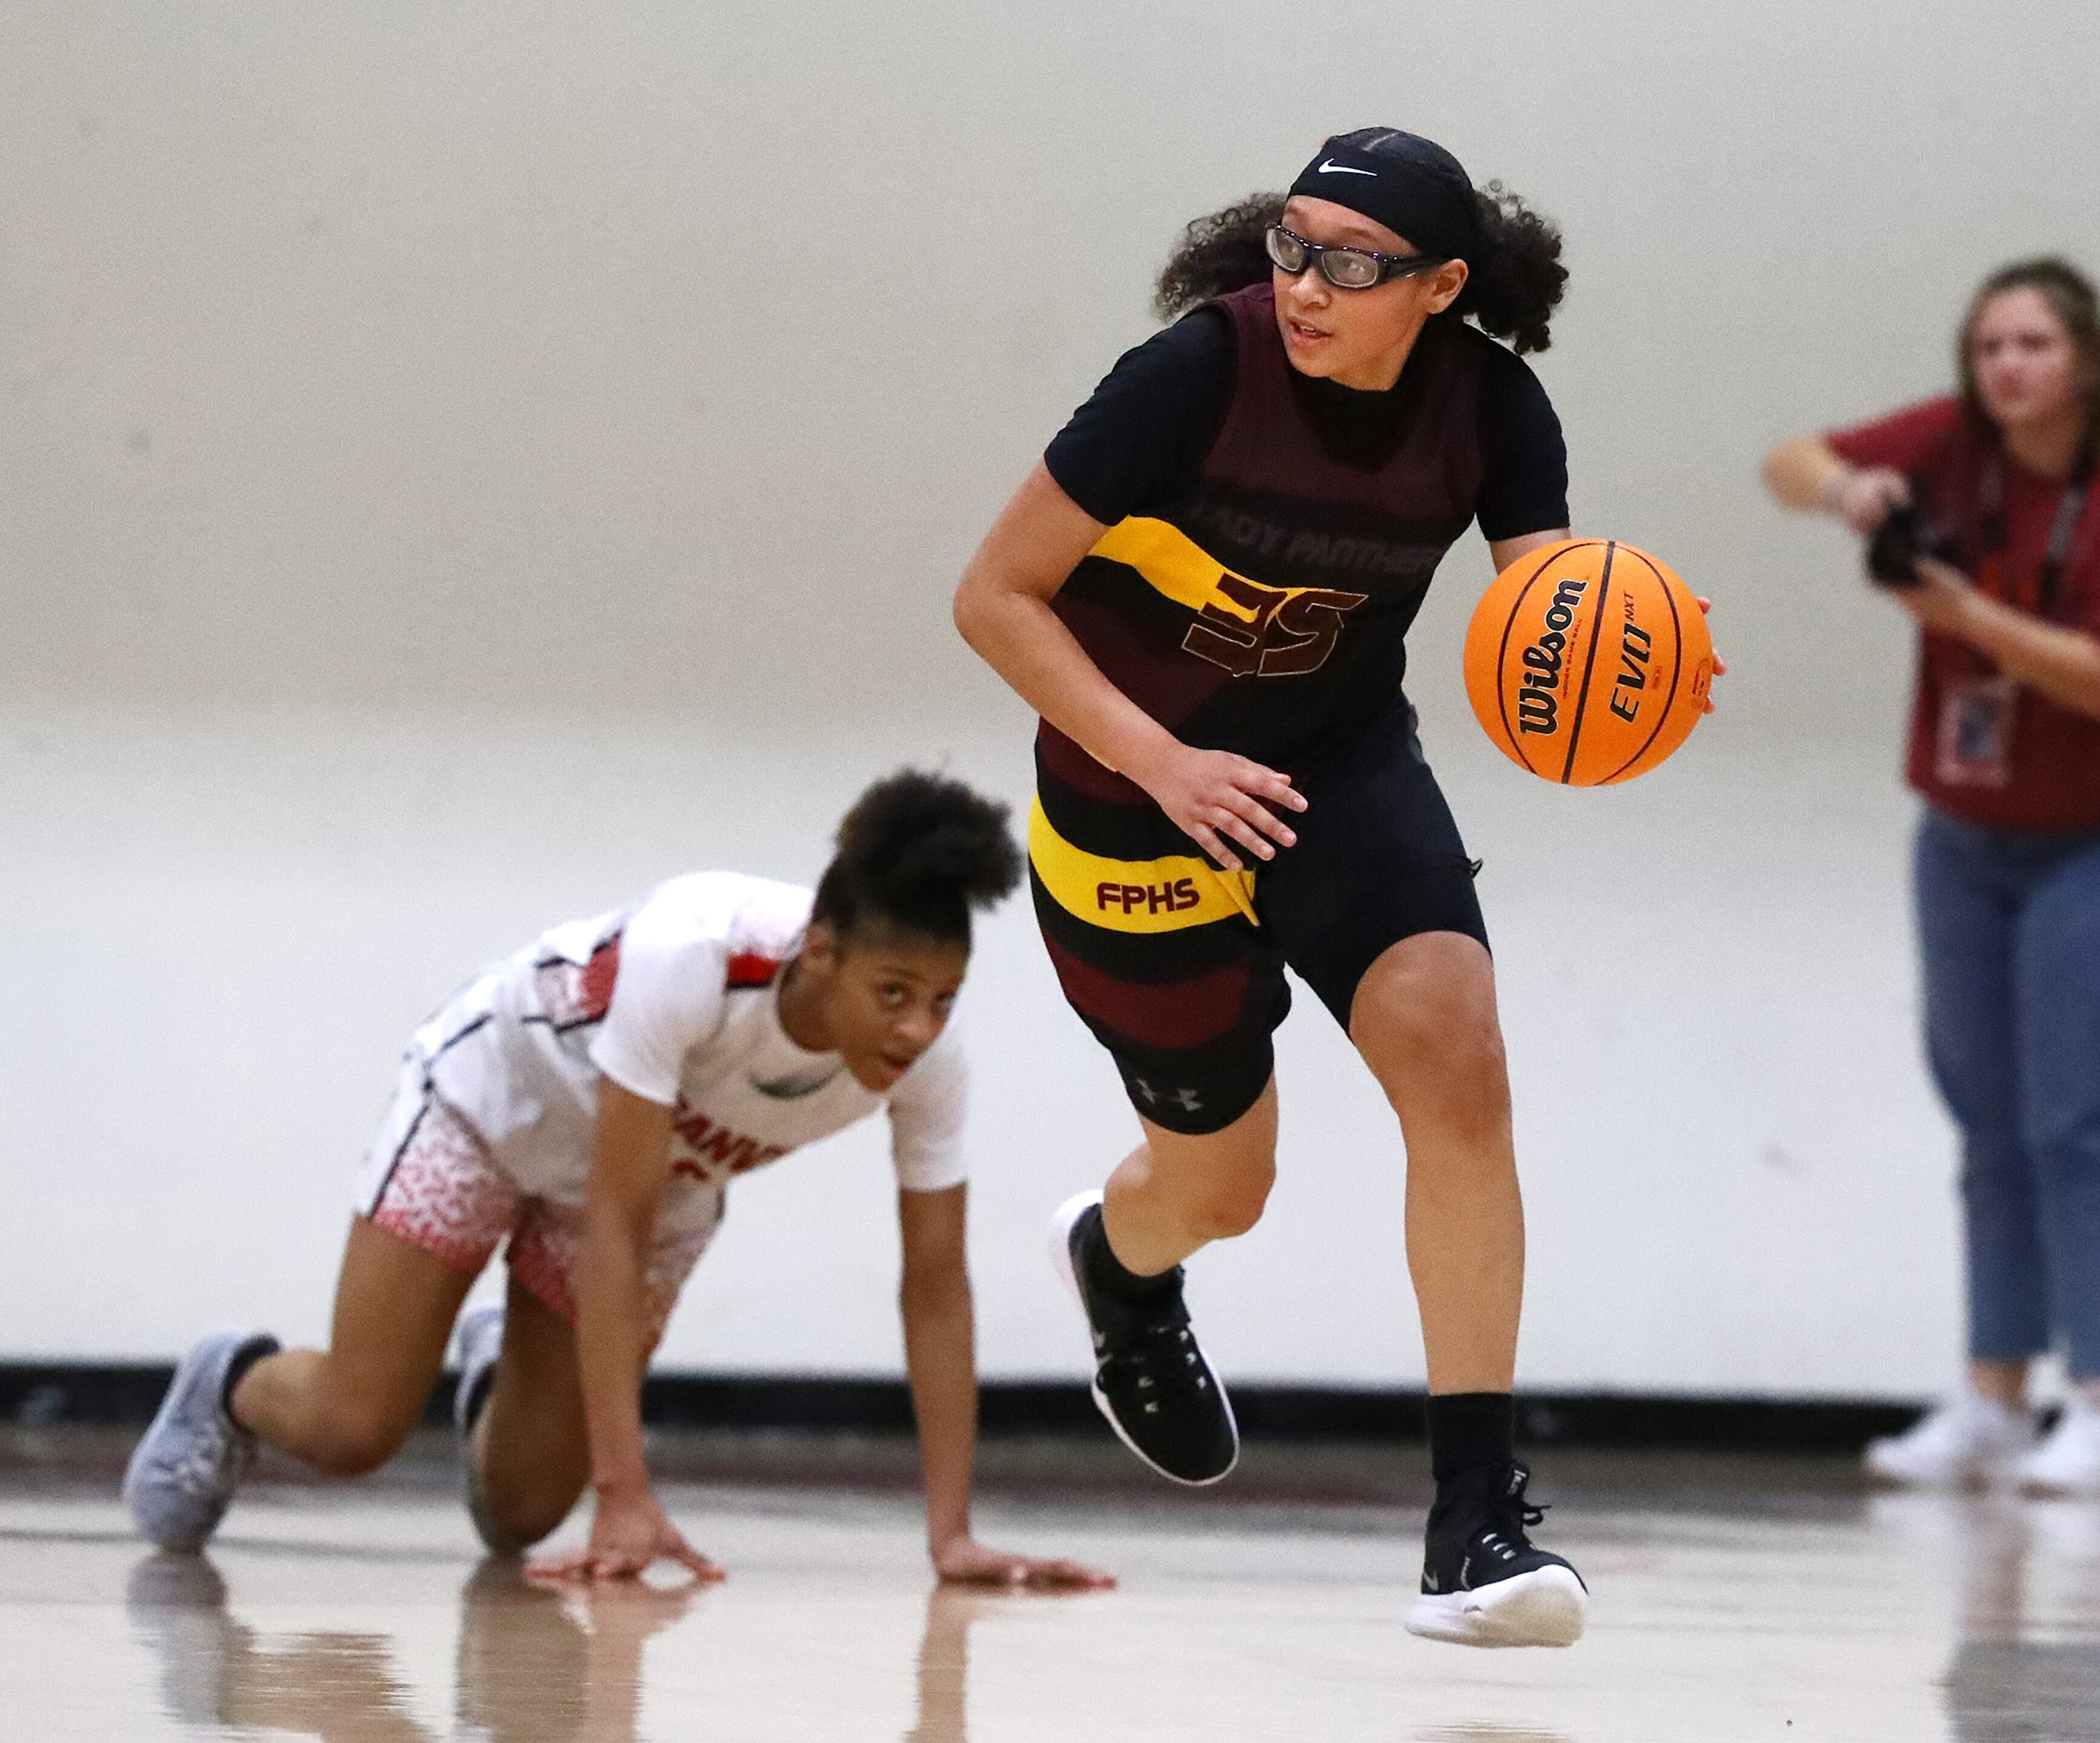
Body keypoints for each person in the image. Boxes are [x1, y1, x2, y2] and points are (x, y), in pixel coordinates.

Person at [955, 127, 1716, 1647]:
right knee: (1222, 1188)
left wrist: (1638, 657)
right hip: (1130, 797)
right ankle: (1121, 1263)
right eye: (1291, 246)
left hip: (1333, 772)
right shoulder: (1190, 375)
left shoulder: (1494, 407)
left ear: (1440, 286)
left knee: (1460, 1056)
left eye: (1349, 264)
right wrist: (1163, 762)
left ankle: (1477, 1524)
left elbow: (1546, 610)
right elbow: (994, 595)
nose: (1305, 283)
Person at [123, 770, 1112, 1591]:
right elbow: (616, 1221)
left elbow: (935, 1285)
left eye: (942, 1000)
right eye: (892, 994)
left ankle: (499, 1374)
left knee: (516, 1518)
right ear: (820, 953)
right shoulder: (693, 952)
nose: (915, 1028)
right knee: (353, 1430)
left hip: (649, 1182)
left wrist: (952, 1537)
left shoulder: (932, 1063)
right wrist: (627, 1493)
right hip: (493, 1113)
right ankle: (231, 1382)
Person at [1762, 258, 2100, 1496]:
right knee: (1991, 1121)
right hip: (1968, 832)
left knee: (2091, 1119)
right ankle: (1994, 1396)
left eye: (2031, 345)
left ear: (2085, 358)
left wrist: (1965, 613)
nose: (2006, 368)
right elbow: (1787, 461)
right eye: (1987, 348)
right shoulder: (1955, 449)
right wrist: (1852, 486)